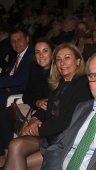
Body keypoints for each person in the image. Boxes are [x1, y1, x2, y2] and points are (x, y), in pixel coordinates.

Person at [4, 43, 93, 170]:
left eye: (67, 57)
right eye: (58, 59)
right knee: (15, 147)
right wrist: (34, 120)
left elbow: (68, 119)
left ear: (78, 61)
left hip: (64, 140)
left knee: (16, 154)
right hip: (50, 135)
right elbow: (46, 107)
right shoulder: (60, 84)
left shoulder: (83, 84)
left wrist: (37, 130)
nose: (62, 62)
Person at [0, 37, 53, 168]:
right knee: (4, 114)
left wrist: (37, 113)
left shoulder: (58, 71)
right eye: (37, 52)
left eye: (45, 51)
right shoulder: (35, 68)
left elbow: (53, 101)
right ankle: (6, 154)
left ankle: (12, 156)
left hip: (47, 112)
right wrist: (37, 102)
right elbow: (26, 95)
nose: (41, 55)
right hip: (35, 107)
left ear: (52, 53)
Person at [0, 27, 34, 109]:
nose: (16, 43)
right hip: (7, 90)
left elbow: (18, 80)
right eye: (13, 41)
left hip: (17, 95)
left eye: (19, 40)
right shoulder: (18, 55)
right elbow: (9, 74)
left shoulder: (31, 57)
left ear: (27, 39)